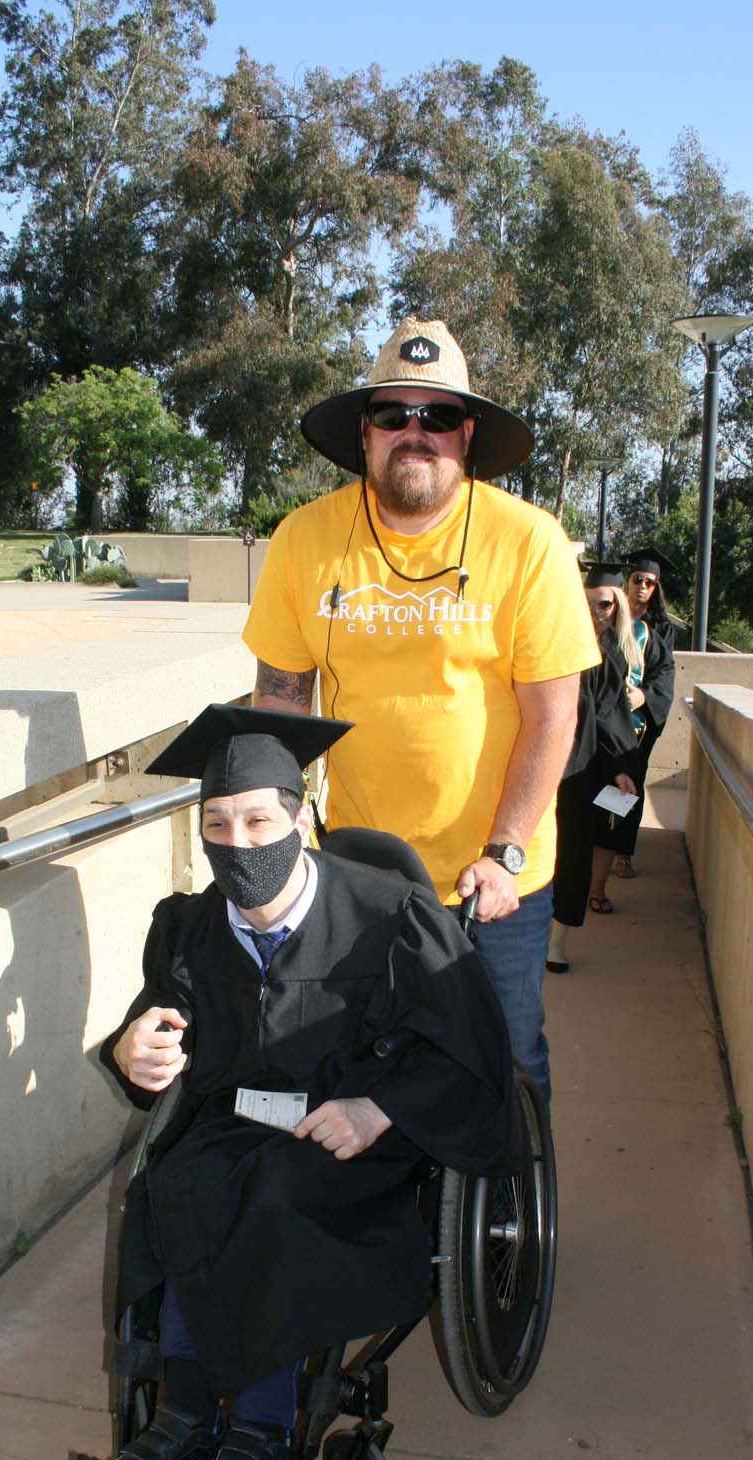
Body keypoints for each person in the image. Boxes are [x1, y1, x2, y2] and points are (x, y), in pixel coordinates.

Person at [71, 705, 519, 1460]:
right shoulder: (192, 929)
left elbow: (471, 1056)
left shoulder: (392, 920)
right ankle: (181, 1427)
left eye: (259, 821)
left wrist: (378, 1108)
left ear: (303, 815)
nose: (239, 843)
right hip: (236, 1128)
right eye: (217, 825)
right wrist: (134, 1051)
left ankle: (261, 1438)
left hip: (355, 1147)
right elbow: (158, 1030)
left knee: (269, 1201)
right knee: (175, 1186)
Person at [243, 318, 600, 1101]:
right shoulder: (306, 540)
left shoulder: (528, 542)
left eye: (437, 417)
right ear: (364, 434)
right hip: (357, 871)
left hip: (495, 877)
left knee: (503, 1058)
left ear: (466, 435)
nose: (416, 433)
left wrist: (504, 853)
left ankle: (512, 1215)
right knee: (362, 1058)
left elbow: (553, 718)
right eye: (393, 415)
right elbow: (279, 700)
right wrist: (275, 824)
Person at [545, 571, 639, 970]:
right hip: (538, 763)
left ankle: (555, 944)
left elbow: (609, 717)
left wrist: (619, 769)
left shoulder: (609, 658)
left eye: (604, 603)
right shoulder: (547, 644)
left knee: (571, 857)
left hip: (580, 770)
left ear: (617, 608)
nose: (595, 612)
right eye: (587, 602)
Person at [589, 547, 677, 908]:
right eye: (637, 579)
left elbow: (665, 676)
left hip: (628, 738)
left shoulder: (648, 635)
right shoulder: (574, 634)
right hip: (583, 741)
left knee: (615, 809)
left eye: (649, 582)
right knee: (580, 817)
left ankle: (598, 888)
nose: (642, 585)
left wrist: (644, 696)